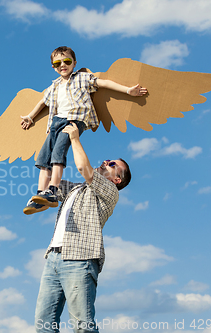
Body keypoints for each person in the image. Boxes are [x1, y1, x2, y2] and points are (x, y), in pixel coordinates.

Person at [20, 46, 145, 215]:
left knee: (58, 154)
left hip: (73, 120)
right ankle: (40, 194)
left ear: (74, 63)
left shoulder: (82, 78)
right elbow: (43, 102)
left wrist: (128, 90)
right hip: (55, 123)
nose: (62, 65)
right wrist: (30, 117)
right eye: (57, 63)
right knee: (44, 160)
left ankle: (52, 190)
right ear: (53, 67)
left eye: (67, 61)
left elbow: (104, 83)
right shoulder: (54, 86)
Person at [34, 122, 131, 333]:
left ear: (116, 179)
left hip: (80, 258)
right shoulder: (76, 189)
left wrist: (75, 138)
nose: (105, 162)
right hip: (53, 259)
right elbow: (50, 178)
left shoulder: (109, 191)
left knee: (82, 326)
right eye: (107, 160)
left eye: (112, 164)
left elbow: (84, 169)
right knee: (43, 326)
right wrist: (55, 139)